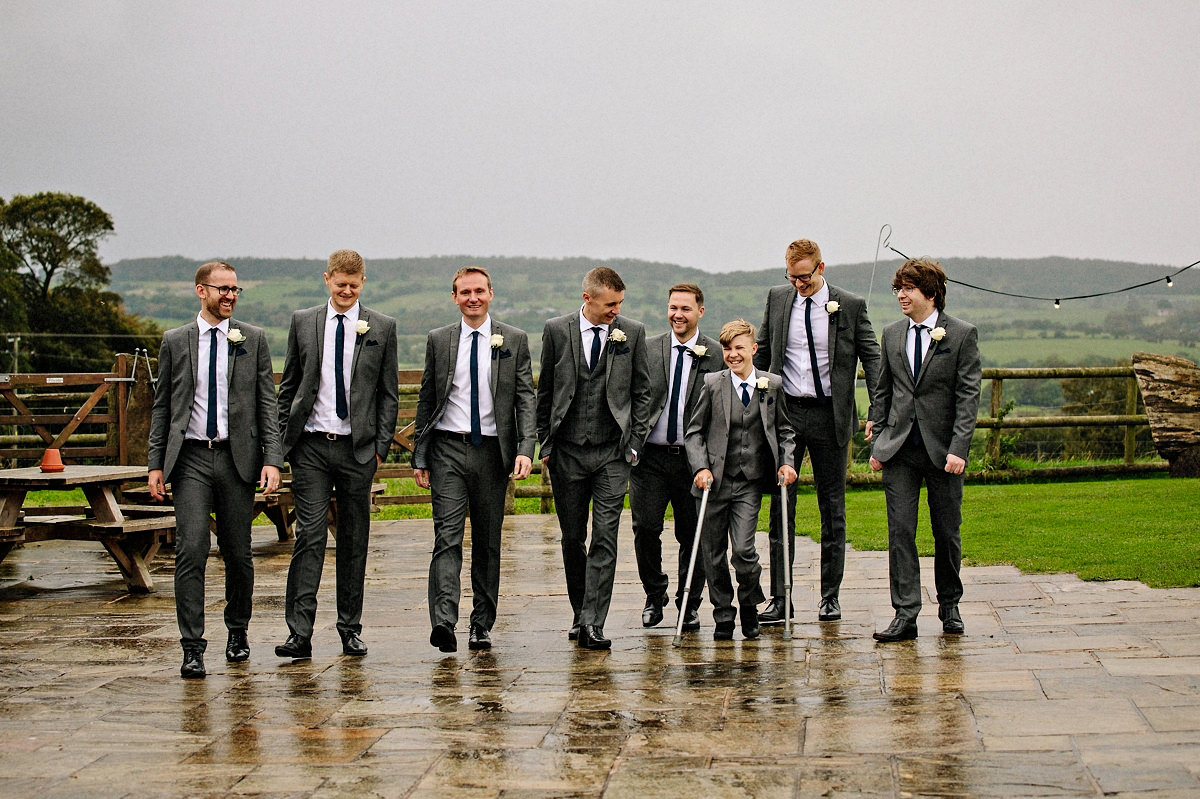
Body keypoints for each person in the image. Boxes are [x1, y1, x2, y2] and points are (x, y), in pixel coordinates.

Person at [148, 260, 282, 679]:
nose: (229, 296)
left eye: (235, 290)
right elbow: (163, 407)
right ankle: (192, 647)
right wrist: (156, 464)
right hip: (189, 460)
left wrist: (272, 458)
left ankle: (237, 631)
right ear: (200, 291)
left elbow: (267, 404)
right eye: (222, 289)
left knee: (238, 553)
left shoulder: (252, 340)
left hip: (236, 459)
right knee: (190, 549)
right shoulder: (175, 341)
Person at [274, 249, 398, 660]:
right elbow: (289, 384)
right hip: (309, 444)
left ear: (363, 283)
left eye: (354, 284)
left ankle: (350, 628)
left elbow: (388, 394)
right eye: (339, 283)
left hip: (356, 449)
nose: (346, 290)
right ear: (326, 279)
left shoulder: (382, 326)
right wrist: (280, 442)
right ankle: (299, 632)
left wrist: (379, 447)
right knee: (308, 535)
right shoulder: (303, 321)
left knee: (352, 539)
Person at [755, 238, 880, 624]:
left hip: (831, 415)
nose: (798, 285)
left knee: (833, 508)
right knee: (781, 508)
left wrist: (878, 408)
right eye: (792, 277)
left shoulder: (850, 305)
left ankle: (830, 596)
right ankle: (780, 599)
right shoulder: (777, 299)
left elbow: (872, 358)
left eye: (805, 277)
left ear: (821, 268)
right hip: (787, 413)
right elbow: (762, 352)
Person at [413, 266, 536, 653]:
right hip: (447, 448)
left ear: (491, 294)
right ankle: (444, 621)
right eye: (465, 292)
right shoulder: (439, 340)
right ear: (454, 297)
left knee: (487, 541)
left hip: (492, 452)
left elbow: (524, 398)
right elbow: (427, 399)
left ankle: (481, 623)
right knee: (446, 536)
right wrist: (420, 454)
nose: (473, 298)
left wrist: (525, 448)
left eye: (479, 291)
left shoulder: (513, 339)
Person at [537, 266, 653, 650]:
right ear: (587, 298)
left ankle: (594, 621)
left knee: (606, 536)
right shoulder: (557, 330)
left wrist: (634, 443)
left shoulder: (632, 333)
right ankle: (579, 611)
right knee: (573, 539)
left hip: (612, 453)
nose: (616, 311)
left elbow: (643, 393)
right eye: (610, 304)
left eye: (620, 304)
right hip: (567, 451)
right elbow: (547, 391)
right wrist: (545, 444)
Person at [868, 257, 981, 641]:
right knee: (900, 533)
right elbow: (882, 391)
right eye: (898, 288)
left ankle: (950, 606)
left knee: (946, 532)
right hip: (899, 450)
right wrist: (879, 442)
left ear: (930, 293)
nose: (901, 295)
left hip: (944, 453)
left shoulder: (962, 335)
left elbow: (968, 396)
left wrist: (959, 448)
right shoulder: (892, 333)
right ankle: (905, 614)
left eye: (908, 288)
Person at [685, 320, 797, 640]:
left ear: (753, 349)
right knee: (713, 552)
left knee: (744, 551)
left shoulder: (772, 384)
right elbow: (694, 433)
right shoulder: (711, 383)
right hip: (713, 481)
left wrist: (787, 463)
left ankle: (749, 604)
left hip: (750, 481)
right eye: (727, 349)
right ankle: (723, 614)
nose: (733, 355)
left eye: (739, 348)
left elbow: (786, 430)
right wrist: (700, 468)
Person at [630, 283, 721, 632]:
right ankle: (654, 595)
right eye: (673, 308)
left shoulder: (715, 353)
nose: (678, 315)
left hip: (692, 460)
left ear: (700, 311)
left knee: (692, 533)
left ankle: (689, 603)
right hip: (649, 458)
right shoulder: (648, 349)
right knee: (645, 529)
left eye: (685, 309)